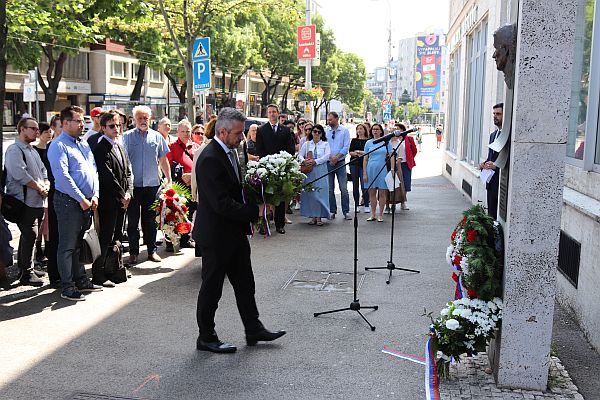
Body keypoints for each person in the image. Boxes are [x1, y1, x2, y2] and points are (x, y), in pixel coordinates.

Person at [192, 107, 286, 354]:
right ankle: (206, 337)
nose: (242, 138)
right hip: (216, 235)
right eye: (237, 133)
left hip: (234, 233)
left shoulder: (232, 151)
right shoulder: (210, 157)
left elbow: (237, 188)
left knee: (245, 283)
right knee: (212, 288)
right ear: (222, 131)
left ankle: (253, 328)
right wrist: (255, 211)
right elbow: (220, 203)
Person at [48, 105, 102, 300]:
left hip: (87, 201)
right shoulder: (58, 145)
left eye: (82, 121)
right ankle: (67, 286)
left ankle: (81, 279)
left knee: (80, 243)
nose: (82, 124)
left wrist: (94, 195)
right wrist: (81, 199)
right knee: (68, 246)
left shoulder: (83, 144)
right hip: (68, 202)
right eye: (78, 121)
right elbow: (62, 177)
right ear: (65, 123)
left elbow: (93, 170)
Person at [123, 106, 172, 264]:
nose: (143, 121)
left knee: (150, 221)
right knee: (132, 221)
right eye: (140, 118)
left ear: (150, 119)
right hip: (133, 187)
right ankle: (133, 252)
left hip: (152, 185)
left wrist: (169, 180)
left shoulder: (157, 137)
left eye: (146, 118)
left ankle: (151, 251)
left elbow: (163, 161)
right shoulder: (126, 137)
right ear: (134, 120)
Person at [4, 117, 49, 287]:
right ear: (22, 129)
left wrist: (46, 184)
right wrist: (39, 187)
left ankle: (26, 267)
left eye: (38, 129)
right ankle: (26, 272)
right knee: (29, 234)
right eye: (33, 129)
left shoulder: (31, 150)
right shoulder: (14, 150)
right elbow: (19, 174)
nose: (37, 132)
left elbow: (43, 170)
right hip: (24, 201)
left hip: (37, 200)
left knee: (31, 236)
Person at [91, 111, 132, 287]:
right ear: (103, 128)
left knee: (117, 236)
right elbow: (107, 176)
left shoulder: (120, 146)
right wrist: (122, 195)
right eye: (112, 126)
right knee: (105, 237)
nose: (116, 128)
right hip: (109, 201)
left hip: (123, 199)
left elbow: (128, 172)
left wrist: (129, 191)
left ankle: (114, 268)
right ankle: (99, 274)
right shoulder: (100, 148)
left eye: (118, 125)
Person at [255, 104, 295, 234]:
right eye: (269, 112)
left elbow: (290, 148)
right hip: (267, 167)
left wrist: (284, 162)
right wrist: (266, 162)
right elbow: (259, 149)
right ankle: (264, 224)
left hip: (282, 167)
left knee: (281, 196)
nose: (272, 114)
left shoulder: (285, 130)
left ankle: (279, 224)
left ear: (278, 114)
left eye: (274, 112)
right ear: (267, 114)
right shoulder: (261, 129)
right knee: (265, 196)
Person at [165, 120, 199, 251]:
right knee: (172, 215)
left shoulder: (195, 146)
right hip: (177, 187)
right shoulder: (171, 146)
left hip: (192, 185)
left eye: (188, 131)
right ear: (177, 132)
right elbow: (166, 166)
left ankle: (185, 238)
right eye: (183, 131)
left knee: (187, 213)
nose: (185, 134)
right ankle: (170, 240)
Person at [298, 124, 330, 226]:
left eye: (318, 132)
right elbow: (299, 155)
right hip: (309, 171)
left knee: (320, 193)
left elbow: (327, 156)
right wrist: (305, 161)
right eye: (314, 131)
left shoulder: (325, 144)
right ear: (311, 132)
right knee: (310, 193)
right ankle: (312, 216)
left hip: (320, 170)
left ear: (322, 134)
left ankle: (319, 216)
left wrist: (316, 161)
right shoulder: (307, 144)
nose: (316, 133)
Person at [324, 111, 351, 220]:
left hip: (340, 162)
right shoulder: (326, 131)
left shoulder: (344, 131)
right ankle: (332, 210)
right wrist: (330, 157)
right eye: (328, 119)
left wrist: (337, 157)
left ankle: (346, 211)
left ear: (336, 119)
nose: (329, 121)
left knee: (343, 188)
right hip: (329, 162)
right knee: (330, 189)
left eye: (331, 119)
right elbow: (324, 145)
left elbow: (346, 147)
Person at [362, 123, 392, 222]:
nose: (375, 131)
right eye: (373, 129)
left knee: (382, 192)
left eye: (377, 129)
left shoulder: (386, 142)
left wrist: (392, 169)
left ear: (381, 131)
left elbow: (391, 156)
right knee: (372, 193)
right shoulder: (368, 143)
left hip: (382, 168)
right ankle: (373, 214)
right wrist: (365, 173)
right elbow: (365, 159)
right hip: (371, 169)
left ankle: (381, 214)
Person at [479, 103, 503, 219]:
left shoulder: (507, 136)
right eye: (494, 113)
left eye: (498, 114)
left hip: (501, 183)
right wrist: (483, 164)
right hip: (490, 182)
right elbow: (491, 157)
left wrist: (496, 166)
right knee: (491, 215)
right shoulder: (493, 135)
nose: (495, 116)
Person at [33, 122, 53, 265]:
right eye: (45, 131)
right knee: (39, 223)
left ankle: (47, 249)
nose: (49, 134)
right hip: (39, 189)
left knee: (48, 223)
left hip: (50, 187)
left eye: (50, 131)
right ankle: (38, 251)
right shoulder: (34, 150)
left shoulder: (53, 148)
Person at [395, 123, 417, 211]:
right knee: (395, 183)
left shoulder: (409, 139)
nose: (396, 130)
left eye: (398, 129)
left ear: (403, 130)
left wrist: (410, 158)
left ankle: (403, 202)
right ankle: (393, 202)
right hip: (395, 164)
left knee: (406, 182)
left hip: (406, 164)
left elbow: (414, 150)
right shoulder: (393, 139)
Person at [349, 123, 370, 213]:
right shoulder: (354, 140)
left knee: (364, 185)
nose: (359, 130)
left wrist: (359, 152)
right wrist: (357, 153)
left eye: (361, 128)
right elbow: (350, 152)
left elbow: (368, 152)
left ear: (365, 130)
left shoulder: (368, 141)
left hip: (364, 164)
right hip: (354, 164)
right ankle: (356, 204)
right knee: (355, 185)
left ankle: (366, 204)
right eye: (358, 129)